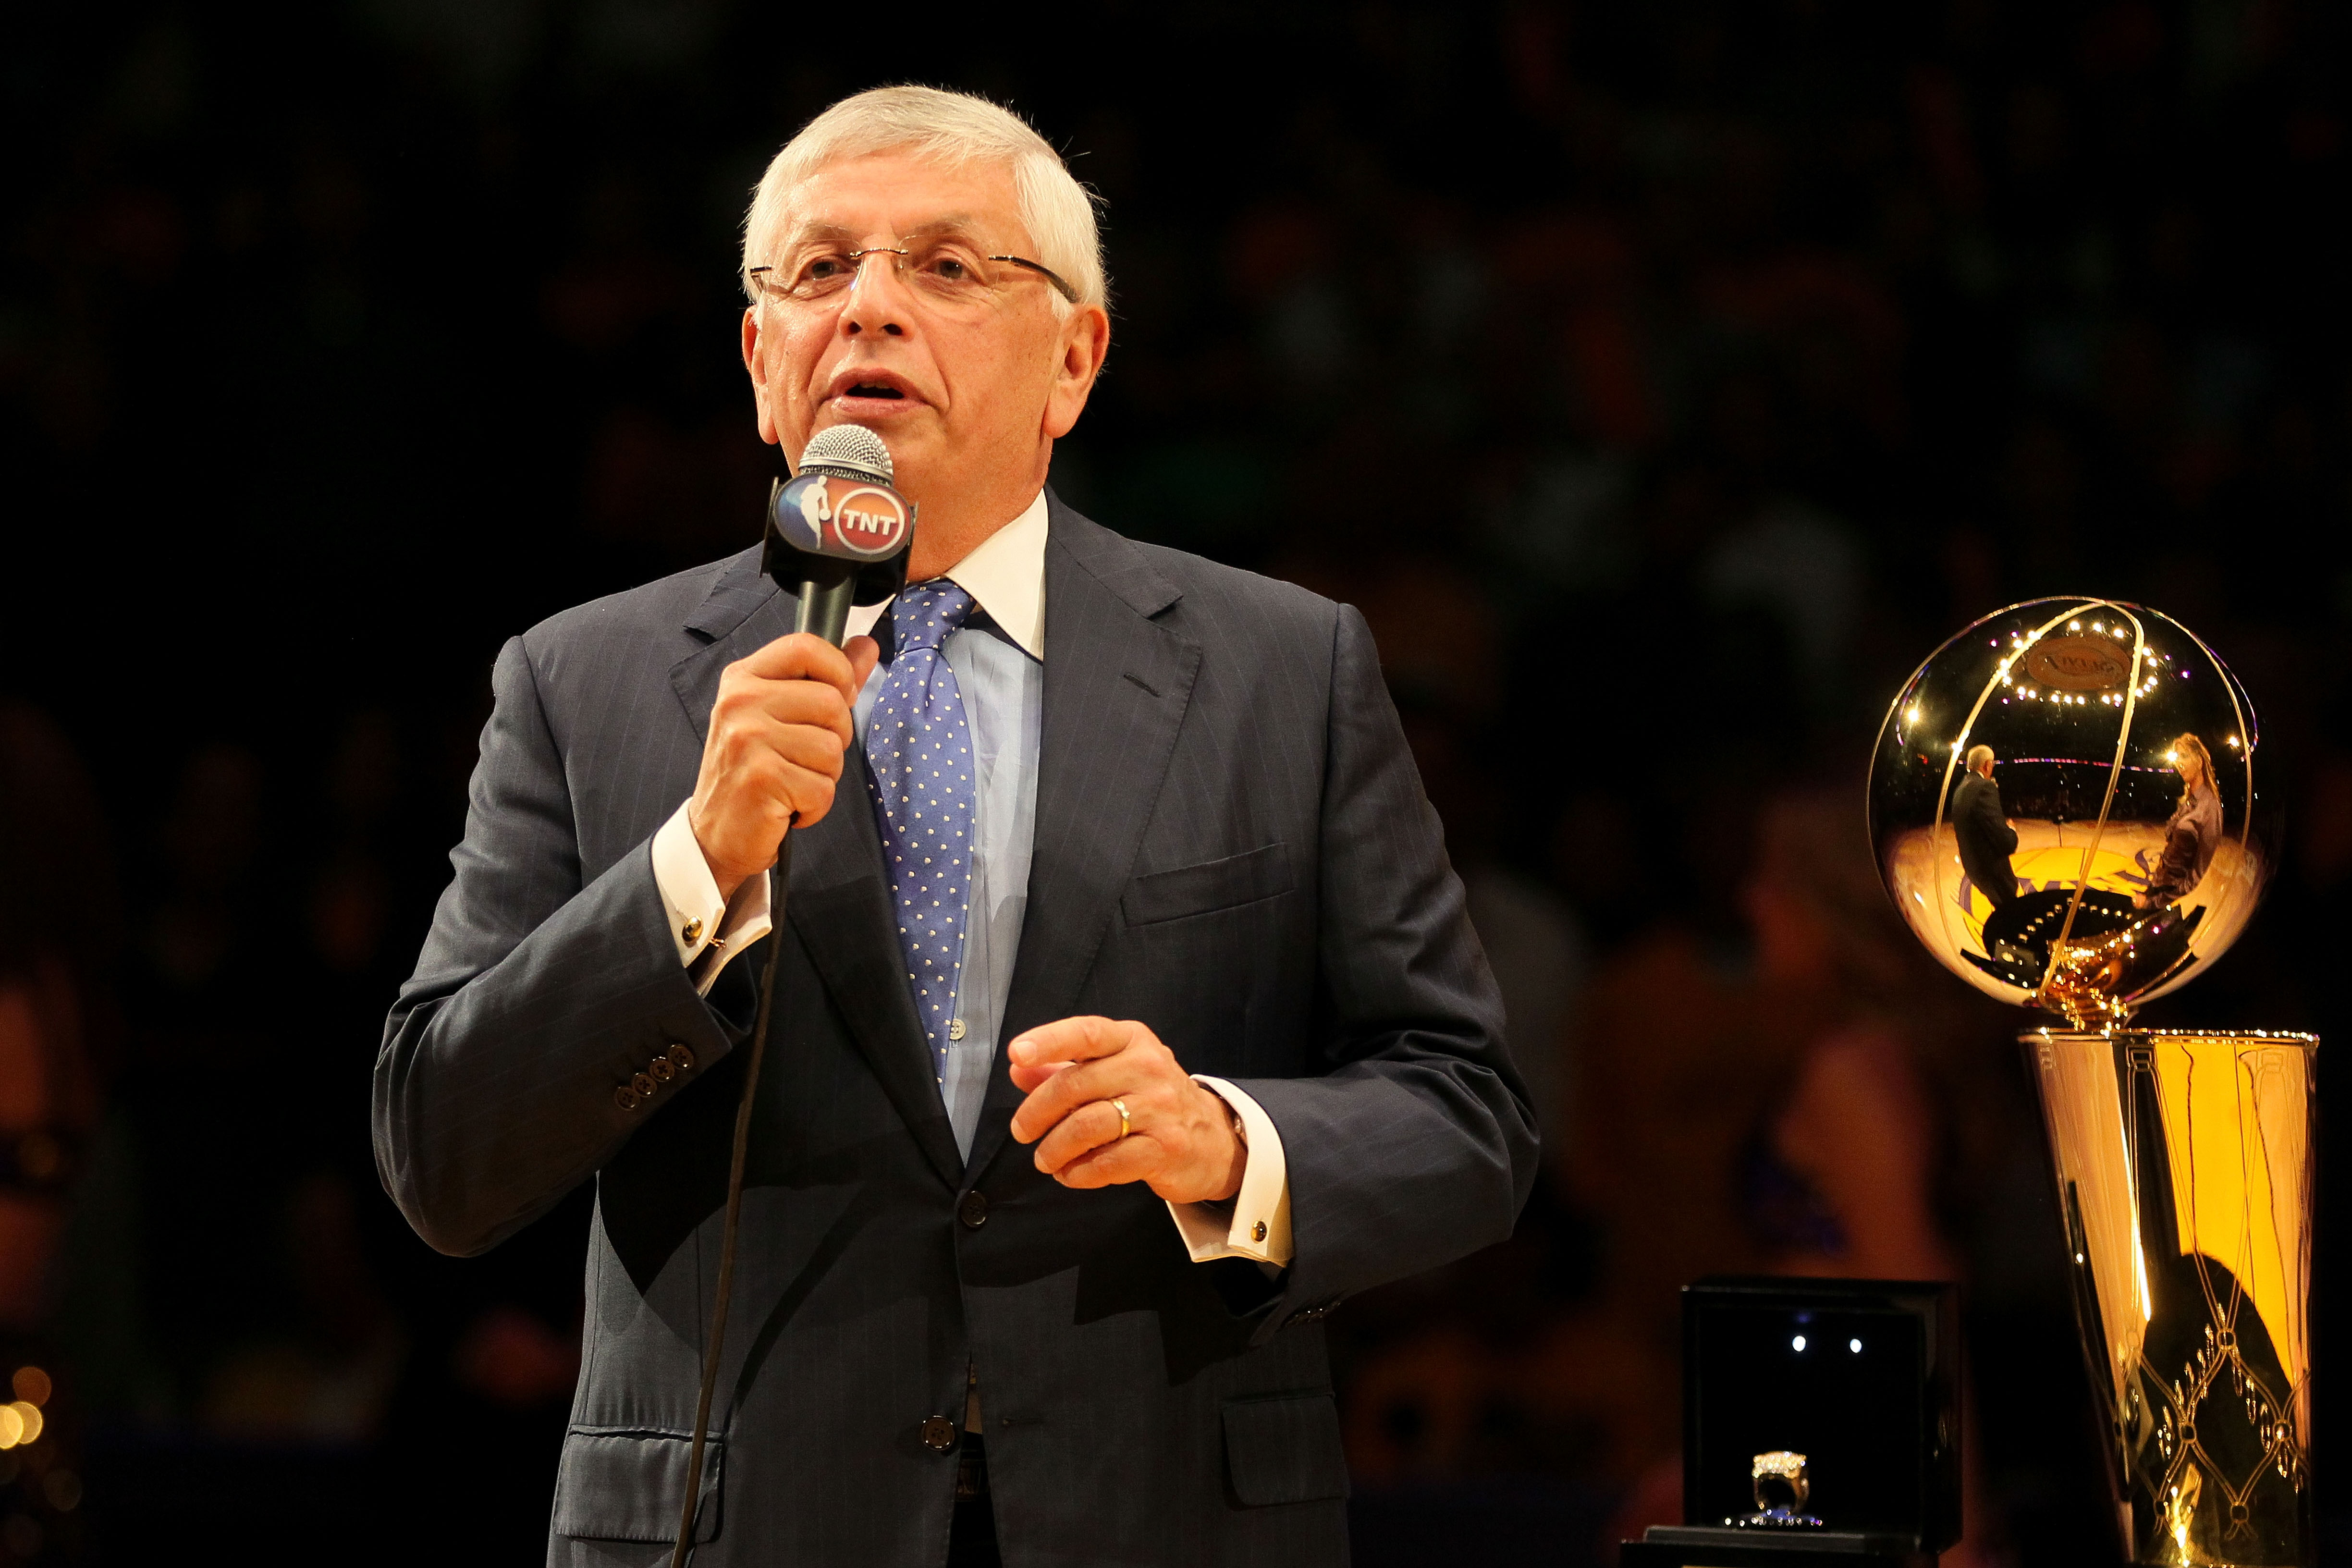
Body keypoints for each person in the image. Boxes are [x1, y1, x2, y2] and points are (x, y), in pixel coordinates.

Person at [373, 87, 1535, 1568]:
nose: (868, 309)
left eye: (944, 266)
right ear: (758, 362)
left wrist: (1223, 1140)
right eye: (817, 270)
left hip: (1162, 1516)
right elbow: (441, 1156)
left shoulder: (1282, 671)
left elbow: (1470, 1117)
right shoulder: (581, 681)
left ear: (1074, 359)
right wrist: (693, 869)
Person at [2136, 733, 2223, 909]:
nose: (2179, 763)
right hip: (2159, 884)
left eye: (2185, 756)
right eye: (2177, 757)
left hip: (2170, 897)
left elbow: (2196, 877)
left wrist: (2154, 903)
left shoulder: (2210, 809)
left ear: (2200, 762)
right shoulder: (2188, 801)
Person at [1949, 744, 2018, 909]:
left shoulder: (1961, 788)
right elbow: (2005, 843)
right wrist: (2011, 831)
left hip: (1975, 870)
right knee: (2011, 915)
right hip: (1994, 874)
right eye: (1993, 765)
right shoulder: (1984, 788)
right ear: (1987, 765)